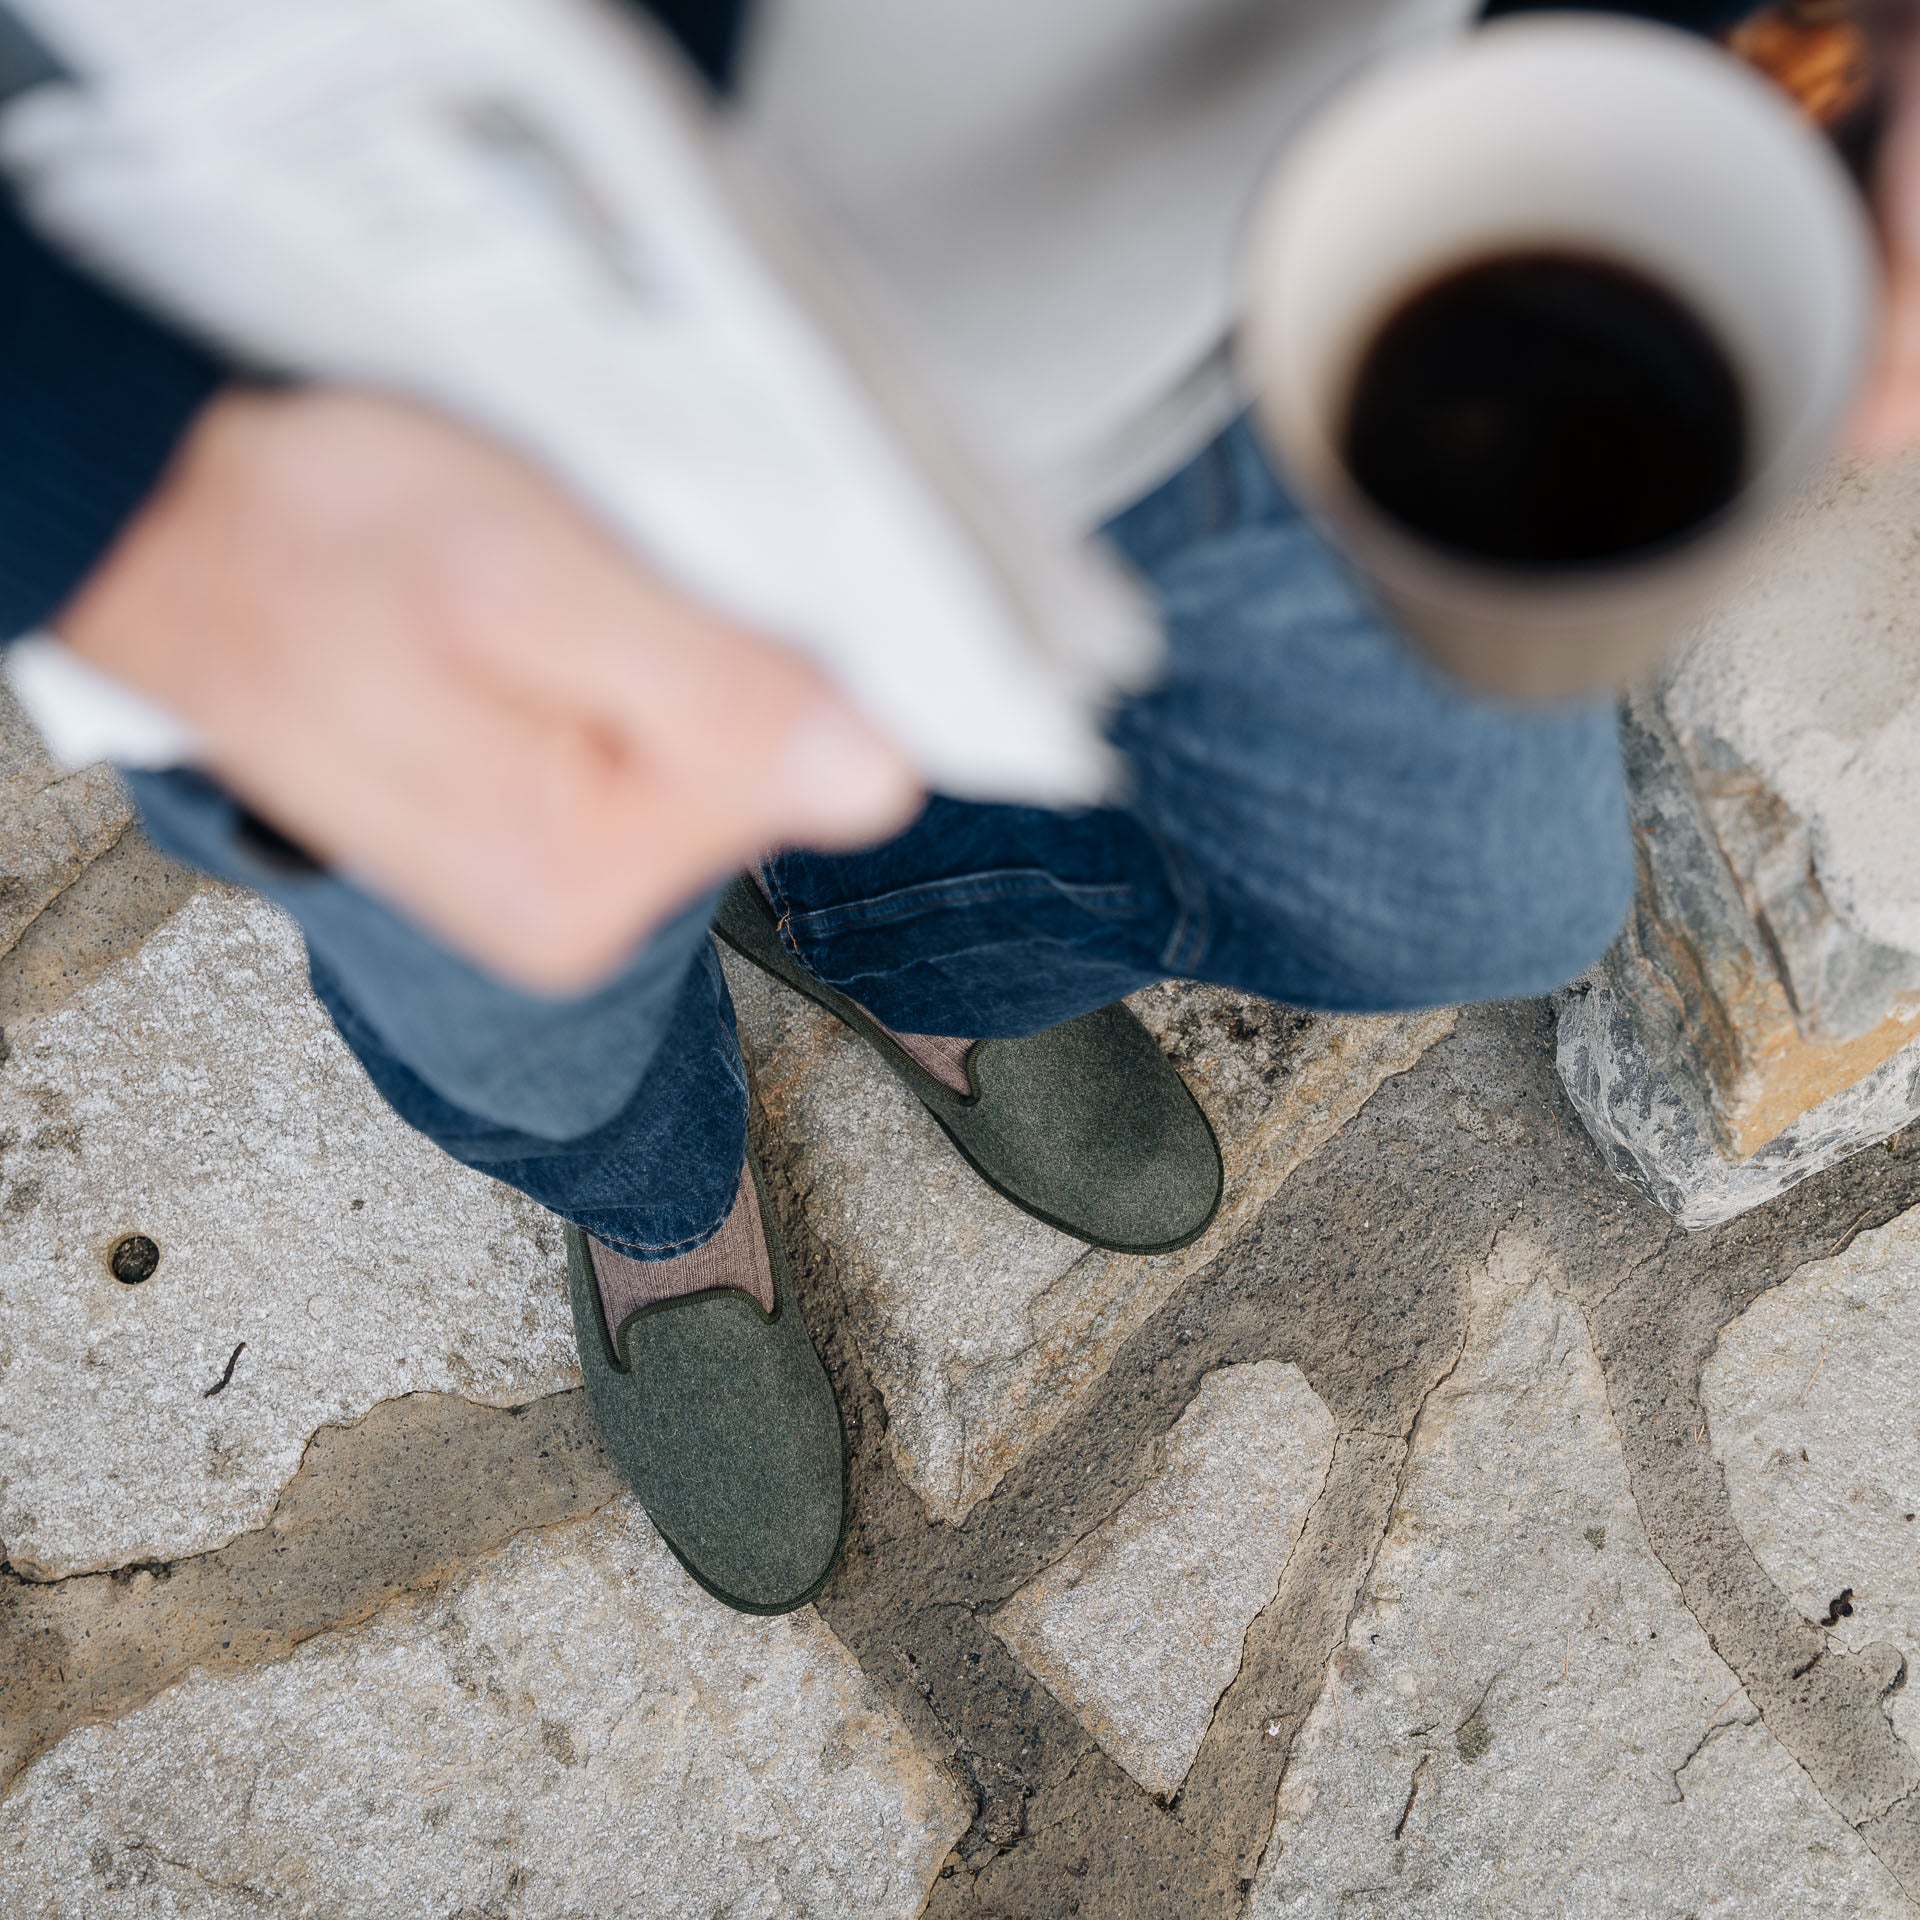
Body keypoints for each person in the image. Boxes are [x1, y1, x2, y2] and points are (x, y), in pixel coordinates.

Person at [3, 0, 1906, 1614]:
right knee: (535, 1024)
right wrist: (120, 500)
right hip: (394, 397)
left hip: (1267, 253)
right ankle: (659, 1204)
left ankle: (895, 939)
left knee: (1480, 894)